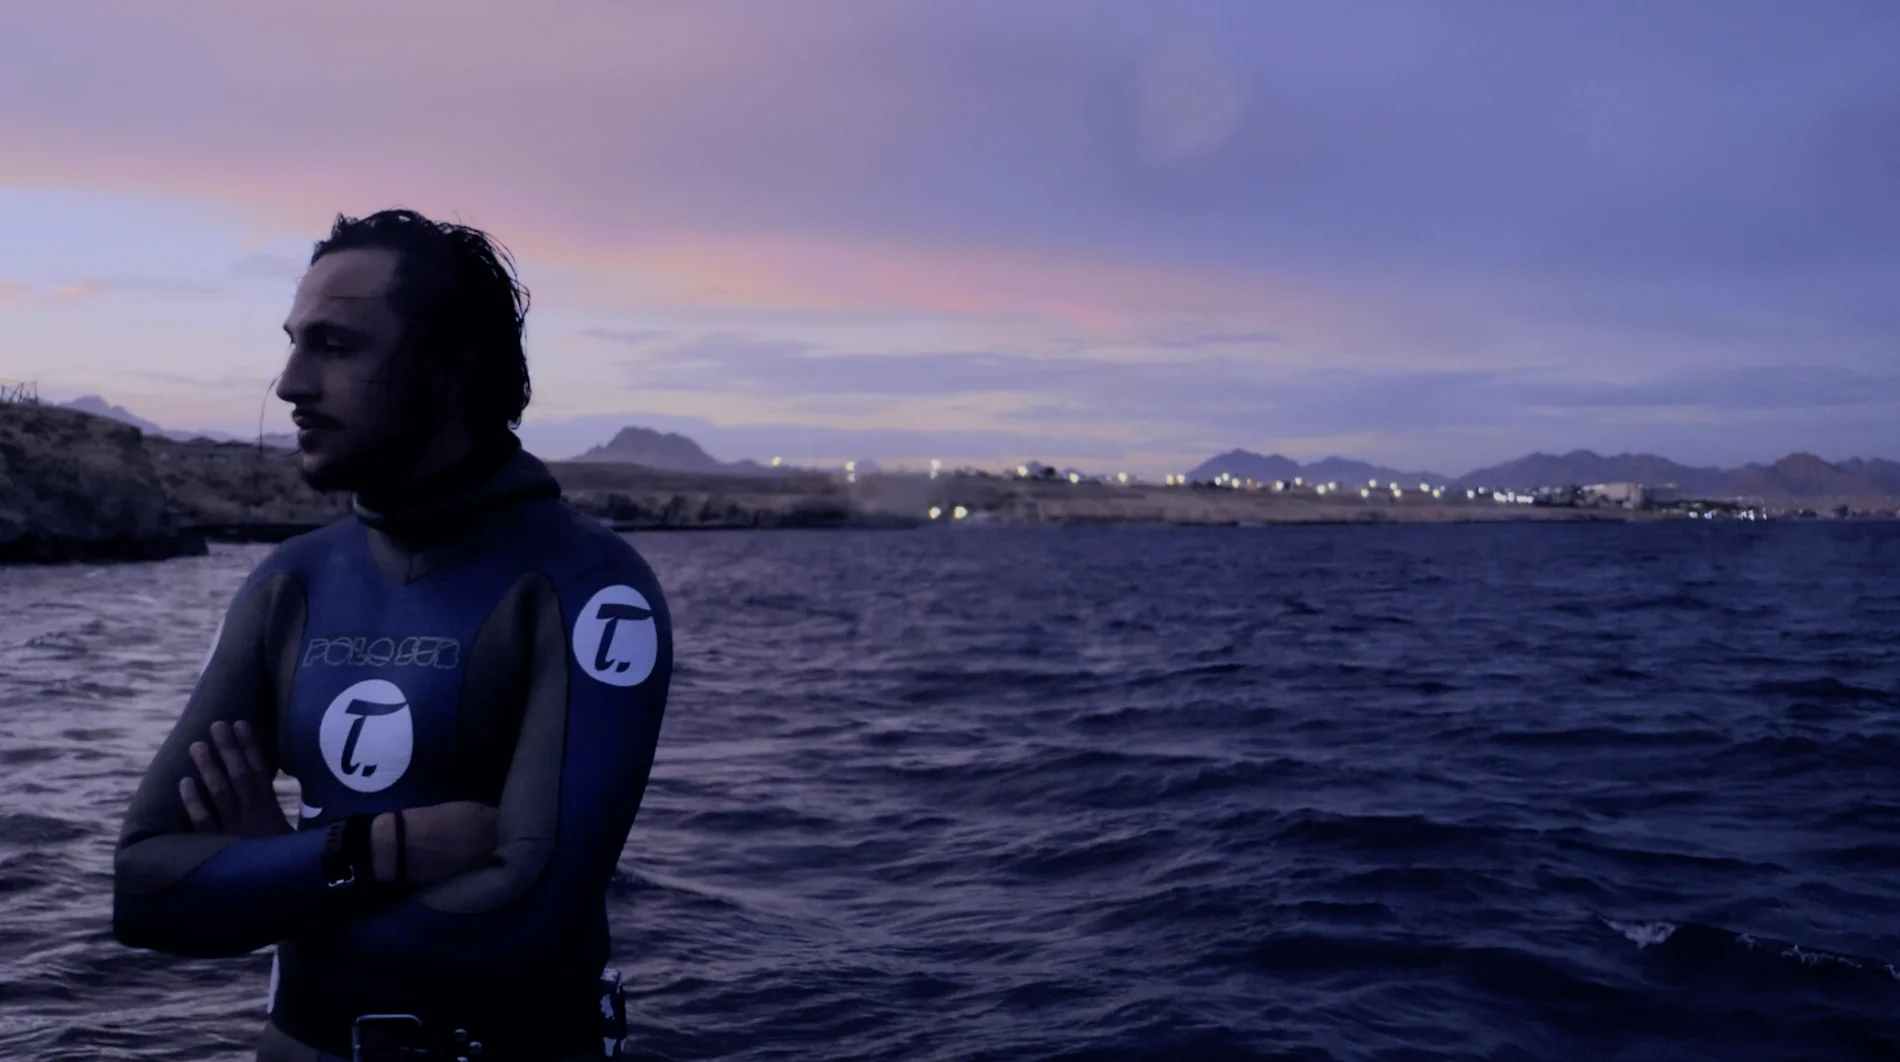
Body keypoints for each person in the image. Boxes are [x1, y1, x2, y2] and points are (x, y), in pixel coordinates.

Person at [111, 208, 674, 1062]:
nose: (291, 382)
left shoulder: (588, 589)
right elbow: (147, 893)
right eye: (295, 341)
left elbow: (521, 924)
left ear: (450, 370)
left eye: (336, 347)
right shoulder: (287, 584)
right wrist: (370, 851)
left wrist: (270, 878)